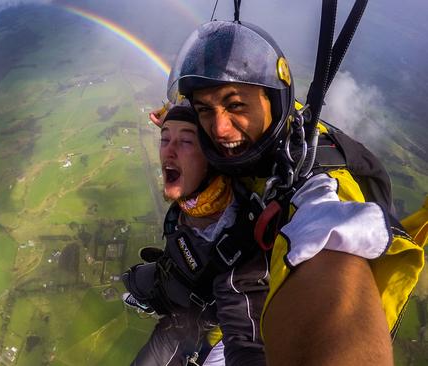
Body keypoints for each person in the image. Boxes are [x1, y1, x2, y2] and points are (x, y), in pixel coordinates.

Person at [165, 19, 426, 365]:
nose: (219, 128)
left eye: (236, 105)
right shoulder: (264, 137)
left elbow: (329, 246)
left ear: (274, 100)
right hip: (219, 314)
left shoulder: (318, 188)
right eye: (204, 110)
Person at [122, 104, 269, 365]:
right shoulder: (195, 194)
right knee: (131, 279)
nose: (168, 150)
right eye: (165, 139)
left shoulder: (238, 241)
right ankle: (151, 298)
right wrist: (170, 114)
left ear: (211, 157)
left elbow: (247, 342)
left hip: (192, 328)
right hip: (171, 276)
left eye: (186, 141)